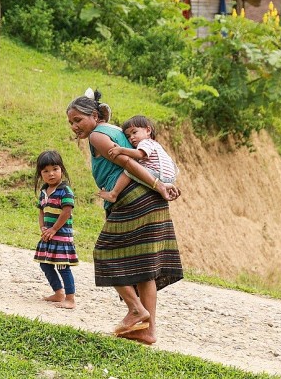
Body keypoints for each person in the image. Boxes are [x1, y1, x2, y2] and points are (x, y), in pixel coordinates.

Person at [66, 89, 183, 344]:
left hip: (135, 196)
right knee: (144, 268)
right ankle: (148, 331)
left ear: (94, 115)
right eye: (71, 122)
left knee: (105, 252)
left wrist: (157, 184)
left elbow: (128, 164)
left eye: (78, 120)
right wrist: (158, 187)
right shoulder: (115, 129)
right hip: (150, 198)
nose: (75, 126)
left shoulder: (98, 134)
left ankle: (136, 310)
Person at [33, 150, 78, 309]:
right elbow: (41, 210)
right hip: (48, 235)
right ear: (40, 174)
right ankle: (58, 293)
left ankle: (70, 298)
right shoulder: (44, 191)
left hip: (61, 236)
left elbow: (66, 212)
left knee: (62, 266)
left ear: (62, 170)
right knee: (45, 264)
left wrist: (53, 229)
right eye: (46, 171)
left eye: (55, 169)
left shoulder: (65, 191)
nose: (51, 174)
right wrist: (43, 228)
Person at [98, 115, 179, 203]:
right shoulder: (154, 144)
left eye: (134, 132)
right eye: (128, 136)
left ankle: (113, 194)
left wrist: (121, 150)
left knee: (130, 168)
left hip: (160, 175)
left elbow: (140, 154)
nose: (131, 138)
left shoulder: (145, 142)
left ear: (148, 130)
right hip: (169, 177)